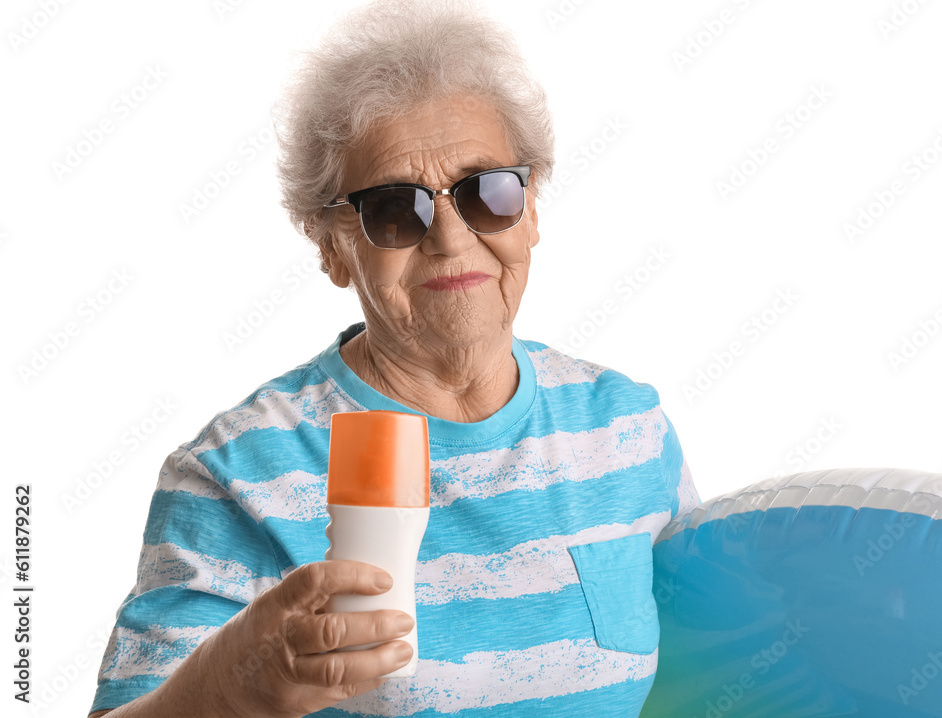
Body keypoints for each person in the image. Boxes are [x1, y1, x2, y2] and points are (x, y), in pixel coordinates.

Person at [88, 1, 699, 716]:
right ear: (331, 247)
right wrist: (234, 683)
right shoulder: (239, 474)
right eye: (392, 209)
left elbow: (711, 676)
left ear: (531, 210)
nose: (449, 237)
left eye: (487, 192)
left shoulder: (627, 429)